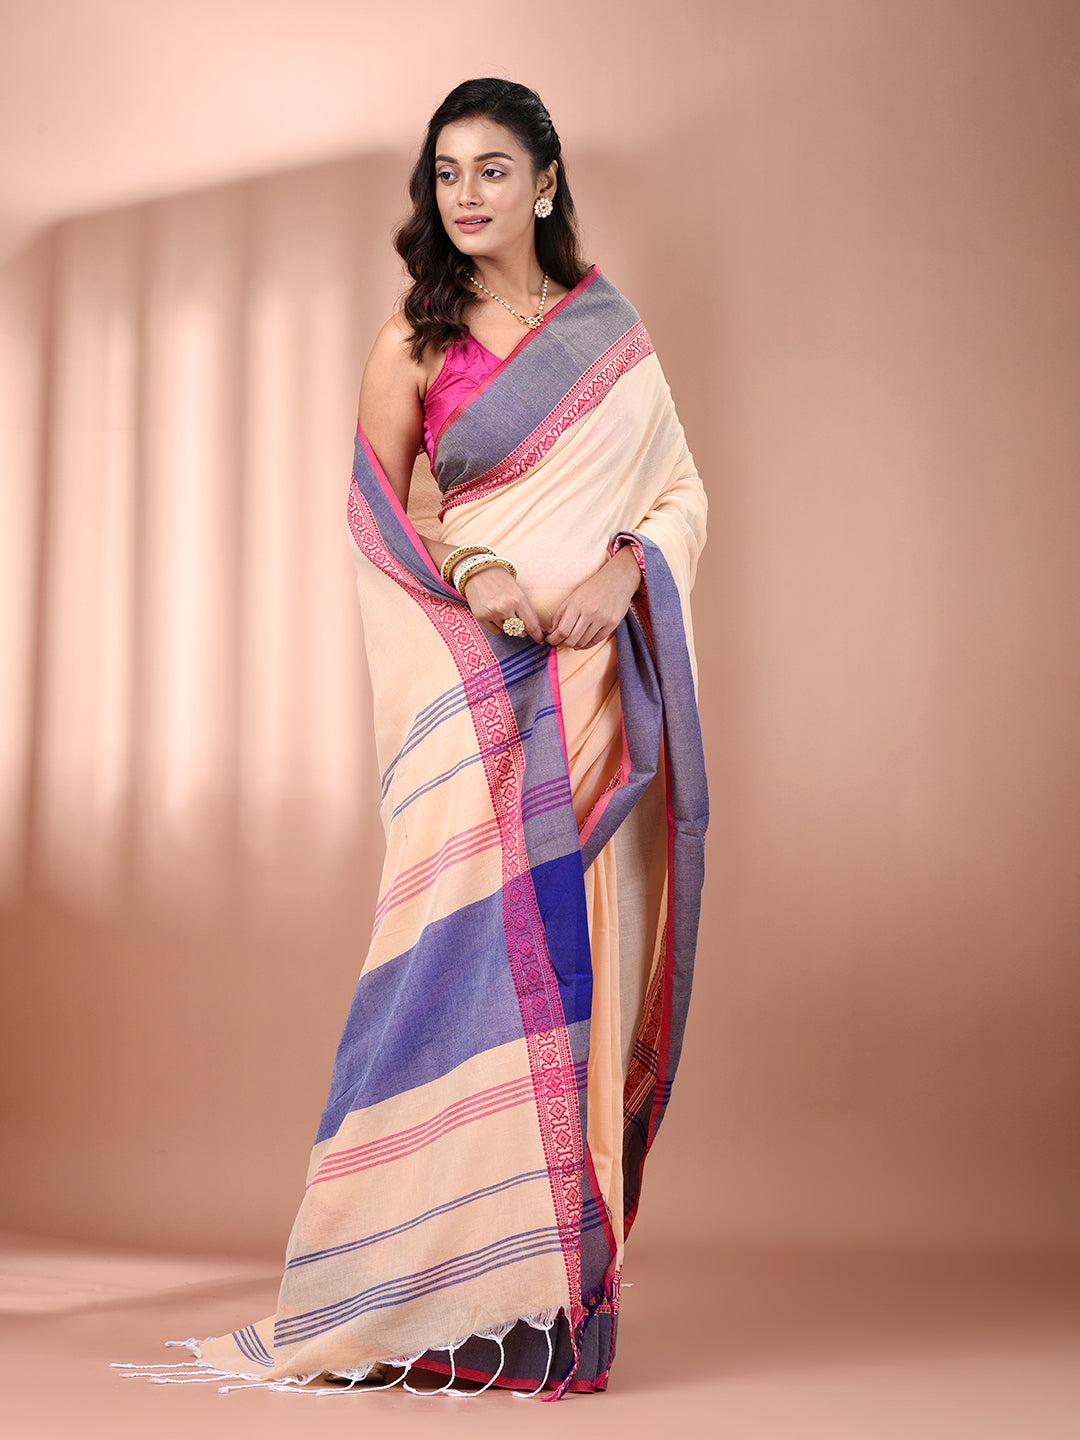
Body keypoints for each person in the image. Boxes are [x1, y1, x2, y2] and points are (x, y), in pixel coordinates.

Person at [136, 77, 708, 1401]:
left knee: (576, 973)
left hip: (598, 694)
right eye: (447, 172)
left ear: (546, 183)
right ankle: (399, 1284)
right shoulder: (411, 340)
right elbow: (380, 516)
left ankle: (546, 1311)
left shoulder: (611, 329)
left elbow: (680, 487)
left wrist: (623, 574)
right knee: (453, 961)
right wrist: (481, 576)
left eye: (493, 169)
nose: (466, 195)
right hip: (478, 705)